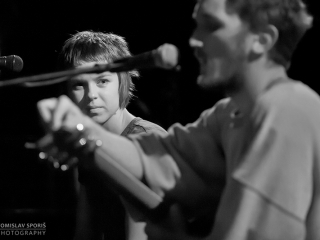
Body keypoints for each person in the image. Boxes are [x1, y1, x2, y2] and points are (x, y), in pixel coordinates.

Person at [37, 0, 320, 239]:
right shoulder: (225, 115)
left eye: (211, 25)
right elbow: (156, 157)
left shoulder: (288, 110)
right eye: (196, 25)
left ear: (261, 40)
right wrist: (82, 131)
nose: (194, 39)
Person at [48, 31, 167, 240]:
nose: (91, 94)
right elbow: (86, 231)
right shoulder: (88, 143)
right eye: (78, 84)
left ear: (123, 79)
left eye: (102, 81)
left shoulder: (145, 139)